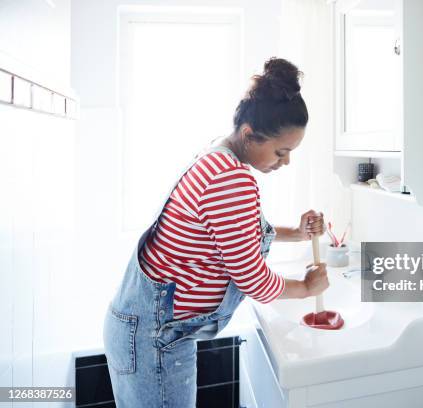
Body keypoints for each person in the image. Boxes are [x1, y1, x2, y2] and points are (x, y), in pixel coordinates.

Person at [103, 58, 329, 407]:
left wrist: (296, 234)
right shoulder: (230, 179)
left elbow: (233, 235)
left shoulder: (217, 156)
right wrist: (306, 289)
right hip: (155, 339)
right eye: (281, 151)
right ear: (249, 134)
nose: (285, 162)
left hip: (145, 330)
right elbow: (253, 279)